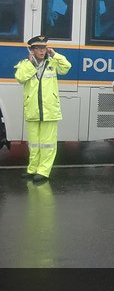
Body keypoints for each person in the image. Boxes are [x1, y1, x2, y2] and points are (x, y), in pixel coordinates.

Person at [15, 35, 72, 182]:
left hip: (49, 110)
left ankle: (44, 171)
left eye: (44, 48)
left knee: (48, 144)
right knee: (34, 143)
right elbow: (20, 77)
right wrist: (31, 64)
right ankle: (32, 169)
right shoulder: (25, 64)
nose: (42, 51)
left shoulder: (52, 62)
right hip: (33, 109)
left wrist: (55, 54)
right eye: (38, 48)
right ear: (32, 50)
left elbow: (67, 67)